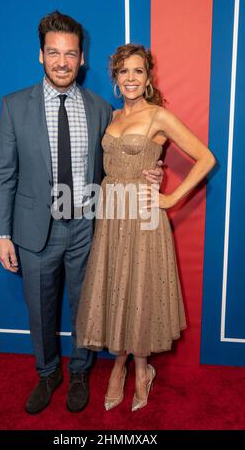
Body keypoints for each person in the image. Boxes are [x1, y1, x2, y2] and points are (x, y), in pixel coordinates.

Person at [0, 12, 163, 414]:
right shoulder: (14, 106)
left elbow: (116, 162)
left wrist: (149, 171)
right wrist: (1, 234)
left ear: (82, 57)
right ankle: (48, 372)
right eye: (54, 53)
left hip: (89, 227)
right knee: (40, 309)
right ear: (41, 56)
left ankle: (82, 371)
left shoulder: (102, 108)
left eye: (70, 53)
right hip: (33, 231)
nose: (62, 62)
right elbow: (4, 175)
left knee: (87, 307)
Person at [76, 44, 216, 411]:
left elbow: (206, 158)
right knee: (117, 286)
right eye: (124, 72)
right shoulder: (111, 115)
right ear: (115, 79)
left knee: (139, 289)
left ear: (148, 77)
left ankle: (141, 369)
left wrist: (170, 198)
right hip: (111, 215)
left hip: (143, 216)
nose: (131, 78)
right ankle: (119, 365)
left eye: (138, 71)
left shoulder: (159, 116)